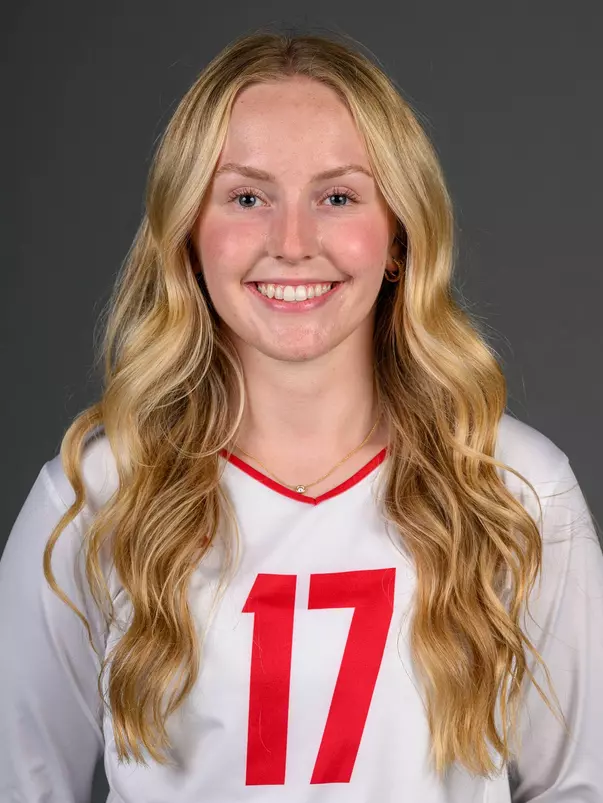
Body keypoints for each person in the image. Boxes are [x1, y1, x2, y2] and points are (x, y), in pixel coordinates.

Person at [1, 27, 602, 803]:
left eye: (337, 197)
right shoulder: (94, 496)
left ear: (397, 235)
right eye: (247, 197)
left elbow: (581, 784)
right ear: (189, 234)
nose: (291, 242)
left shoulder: (515, 487)